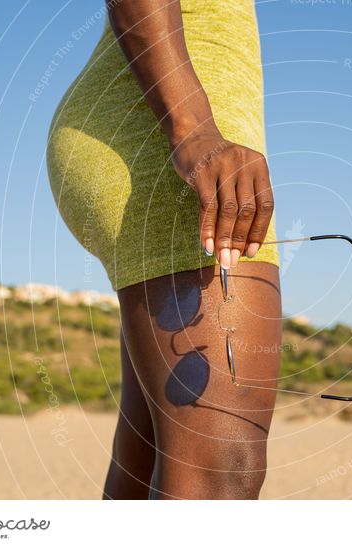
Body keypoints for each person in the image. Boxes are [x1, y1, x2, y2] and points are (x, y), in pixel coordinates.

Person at [46, 0, 282, 499]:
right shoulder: (189, 135)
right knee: (222, 466)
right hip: (158, 135)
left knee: (148, 455)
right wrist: (193, 130)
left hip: (162, 127)